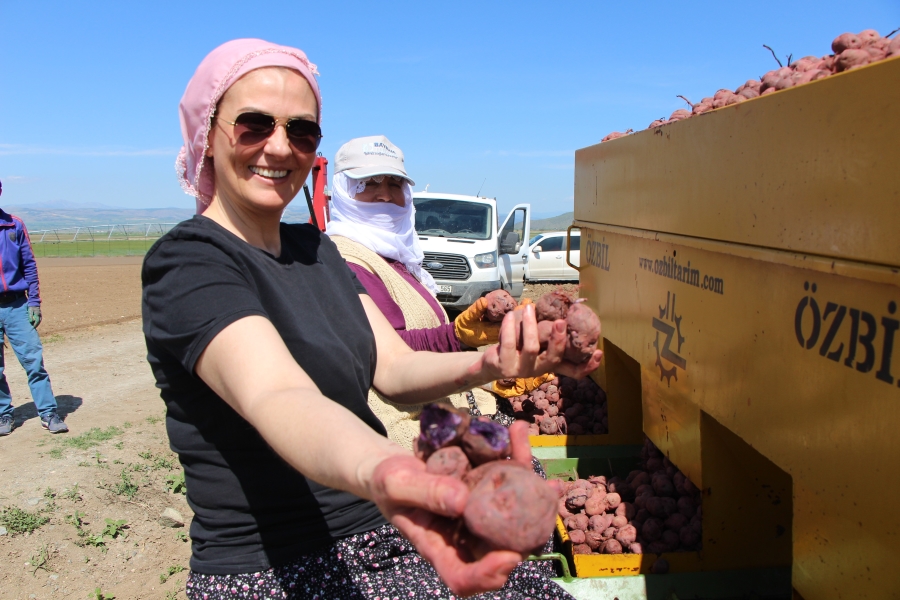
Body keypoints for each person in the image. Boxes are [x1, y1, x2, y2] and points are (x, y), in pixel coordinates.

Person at [144, 38, 601, 600]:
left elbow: (395, 368)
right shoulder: (190, 262)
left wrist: (491, 361)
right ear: (206, 133)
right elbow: (279, 396)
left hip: (379, 531)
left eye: (302, 131)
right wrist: (389, 469)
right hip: (279, 566)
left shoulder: (316, 251)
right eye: (254, 125)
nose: (279, 147)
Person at [325, 135, 505, 445]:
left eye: (395, 184)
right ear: (344, 191)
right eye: (369, 183)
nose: (385, 194)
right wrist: (457, 336)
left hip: (434, 406)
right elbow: (388, 352)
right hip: (400, 426)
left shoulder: (395, 254)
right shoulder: (347, 258)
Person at [0, 180, 68, 436]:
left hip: (17, 305)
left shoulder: (13, 226)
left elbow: (29, 265)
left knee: (34, 362)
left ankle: (49, 413)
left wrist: (34, 302)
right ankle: (3, 415)